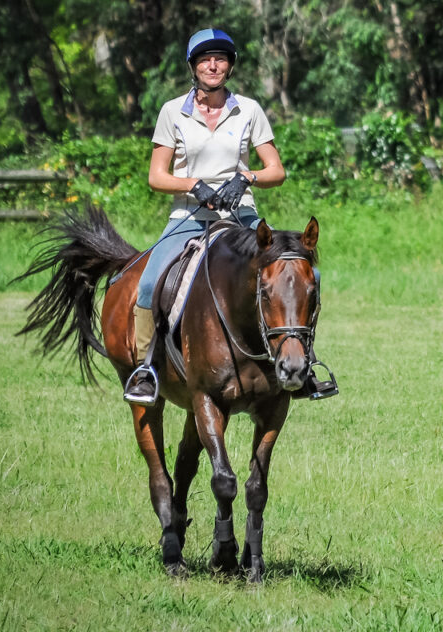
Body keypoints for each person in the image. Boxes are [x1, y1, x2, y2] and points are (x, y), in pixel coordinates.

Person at [123, 28, 337, 405]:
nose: (213, 65)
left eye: (220, 58)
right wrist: (194, 186)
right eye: (205, 59)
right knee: (148, 282)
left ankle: (306, 366)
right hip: (189, 216)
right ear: (193, 66)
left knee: (308, 273)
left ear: (230, 66)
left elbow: (277, 170)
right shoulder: (173, 111)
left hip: (243, 219)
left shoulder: (249, 110)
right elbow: (157, 176)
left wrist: (246, 177)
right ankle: (145, 370)